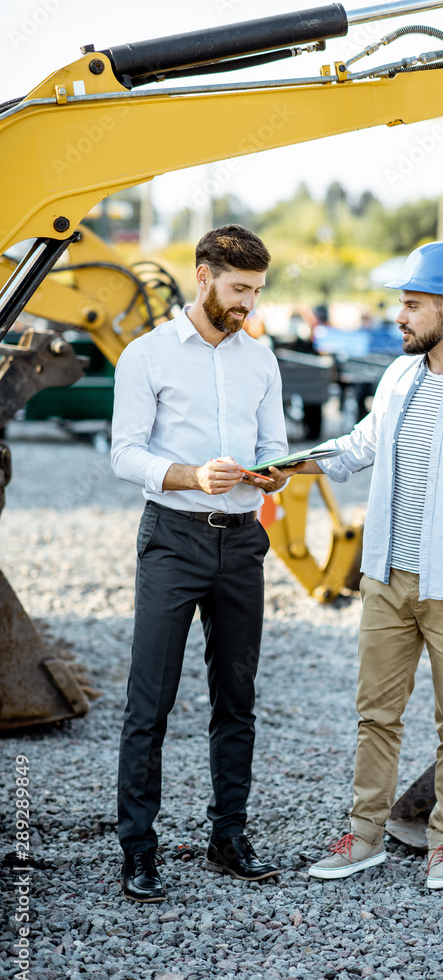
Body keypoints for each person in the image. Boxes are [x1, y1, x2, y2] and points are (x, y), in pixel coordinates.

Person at [289, 242, 443, 889]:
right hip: (385, 581)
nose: (399, 316)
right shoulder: (398, 378)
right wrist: (291, 466)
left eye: (411, 305)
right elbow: (359, 446)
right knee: (375, 713)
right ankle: (364, 836)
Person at [111, 225, 295, 903]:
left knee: (236, 698)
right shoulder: (146, 355)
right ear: (203, 278)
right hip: (173, 538)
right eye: (239, 289)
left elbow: (273, 444)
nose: (248, 304)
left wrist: (272, 475)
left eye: (256, 291)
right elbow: (123, 453)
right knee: (149, 701)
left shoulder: (260, 359)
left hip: (243, 542)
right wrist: (191, 475)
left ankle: (229, 838)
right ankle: (138, 851)